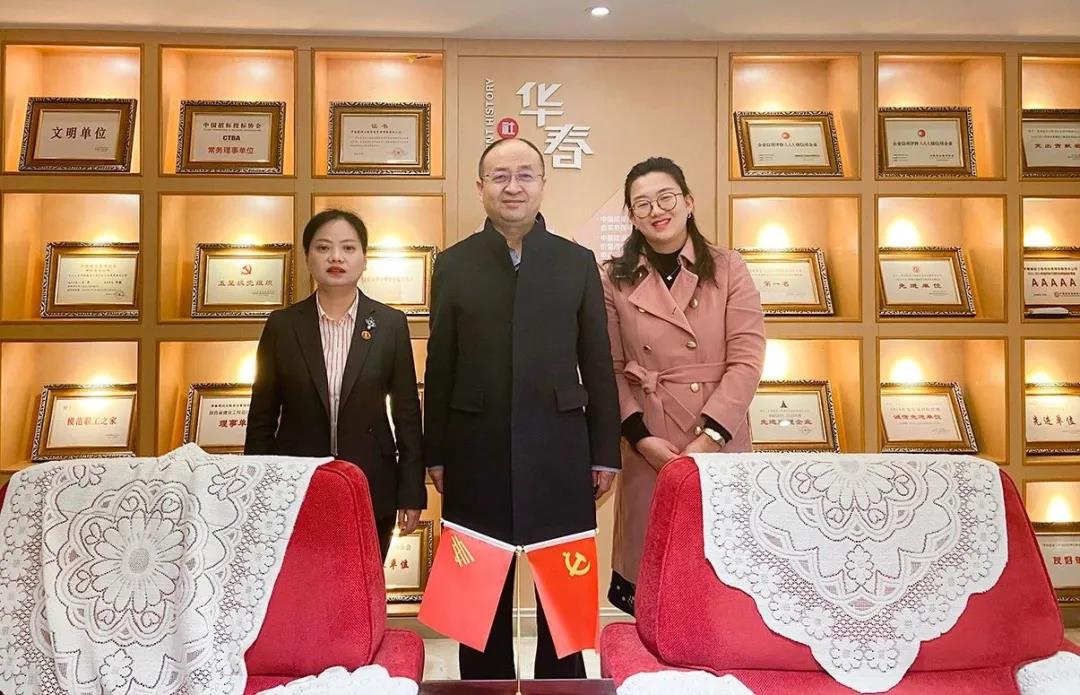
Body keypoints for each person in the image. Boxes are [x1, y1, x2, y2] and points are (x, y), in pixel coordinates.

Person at [423, 137, 621, 680]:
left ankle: (563, 688)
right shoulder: (454, 264)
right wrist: (435, 452)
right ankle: (482, 687)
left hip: (560, 444)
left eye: (526, 175)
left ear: (542, 185)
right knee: (478, 595)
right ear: (481, 187)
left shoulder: (576, 262)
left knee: (562, 593)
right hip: (474, 446)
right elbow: (440, 365)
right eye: (501, 176)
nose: (513, 187)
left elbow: (597, 364)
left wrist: (604, 452)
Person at [601, 156, 765, 616]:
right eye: (642, 203)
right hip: (649, 444)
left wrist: (710, 437)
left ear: (688, 202)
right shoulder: (613, 277)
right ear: (632, 216)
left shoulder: (730, 267)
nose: (656, 210)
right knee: (653, 589)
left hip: (719, 440)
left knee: (720, 586)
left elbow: (747, 359)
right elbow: (609, 368)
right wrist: (640, 438)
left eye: (666, 197)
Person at [245, 209, 425, 559]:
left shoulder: (389, 324)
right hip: (295, 484)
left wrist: (411, 492)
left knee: (364, 582)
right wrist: (257, 487)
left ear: (364, 259)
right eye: (323, 247)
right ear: (308, 257)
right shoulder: (283, 326)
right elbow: (262, 417)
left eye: (348, 248)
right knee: (304, 582)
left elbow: (406, 414)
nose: (336, 257)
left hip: (372, 482)